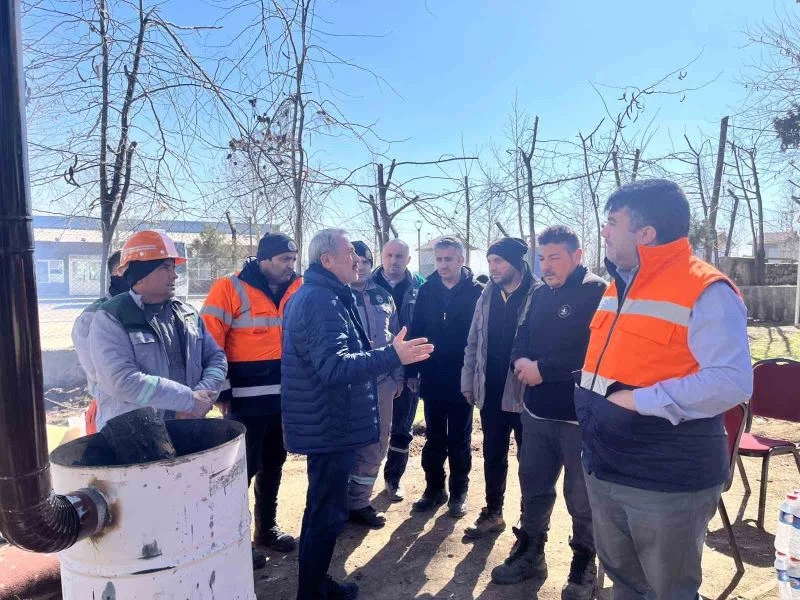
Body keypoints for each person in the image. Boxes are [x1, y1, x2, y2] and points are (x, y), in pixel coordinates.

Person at [575, 179, 753, 600]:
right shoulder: (617, 286)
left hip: (665, 480)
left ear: (646, 233)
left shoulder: (706, 289)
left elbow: (730, 381)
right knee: (624, 584)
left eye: (612, 222)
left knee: (667, 590)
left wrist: (638, 400)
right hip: (605, 465)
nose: (604, 231)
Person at [281, 228, 433, 600]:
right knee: (325, 511)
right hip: (328, 422)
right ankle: (313, 590)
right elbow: (334, 367)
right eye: (350, 252)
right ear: (327, 260)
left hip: (331, 419)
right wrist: (392, 356)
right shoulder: (320, 300)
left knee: (326, 508)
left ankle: (315, 584)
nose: (357, 258)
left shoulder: (330, 295)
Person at [490, 226, 606, 600]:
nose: (547, 265)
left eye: (555, 257)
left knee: (582, 497)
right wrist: (521, 360)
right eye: (542, 258)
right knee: (534, 488)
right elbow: (520, 335)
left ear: (577, 255)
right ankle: (530, 551)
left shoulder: (597, 292)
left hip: (578, 417)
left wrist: (545, 368)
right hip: (536, 413)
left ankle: (584, 561)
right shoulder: (539, 294)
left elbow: (596, 351)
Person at [201, 232, 302, 568]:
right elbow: (210, 343)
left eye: (293, 259)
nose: (291, 265)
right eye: (284, 260)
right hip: (245, 400)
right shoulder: (229, 288)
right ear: (264, 260)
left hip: (285, 397)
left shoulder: (298, 287)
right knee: (241, 469)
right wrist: (223, 391)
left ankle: (267, 528)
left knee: (274, 461)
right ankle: (234, 537)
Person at [89, 230, 227, 431]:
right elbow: (122, 381)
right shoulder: (111, 316)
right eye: (166, 267)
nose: (175, 274)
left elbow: (216, 358)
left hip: (187, 425)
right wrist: (188, 400)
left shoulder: (187, 313)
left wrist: (202, 397)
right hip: (135, 435)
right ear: (142, 273)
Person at [460, 237, 535, 539]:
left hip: (525, 395)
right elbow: (473, 342)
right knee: (492, 455)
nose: (492, 267)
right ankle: (494, 513)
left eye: (498, 261)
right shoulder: (487, 295)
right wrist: (468, 380)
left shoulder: (537, 294)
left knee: (529, 462)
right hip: (490, 391)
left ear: (515, 263)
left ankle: (530, 522)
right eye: (490, 261)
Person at [406, 236, 483, 518]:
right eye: (439, 259)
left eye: (448, 259)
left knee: (460, 438)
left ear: (462, 260)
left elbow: (482, 338)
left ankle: (459, 491)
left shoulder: (478, 292)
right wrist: (411, 370)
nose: (443, 265)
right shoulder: (427, 290)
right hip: (433, 374)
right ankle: (434, 489)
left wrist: (476, 375)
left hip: (463, 377)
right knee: (434, 437)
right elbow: (416, 329)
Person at [347, 241, 404, 528]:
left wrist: (398, 377)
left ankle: (359, 502)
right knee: (345, 445)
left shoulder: (384, 296)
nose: (360, 268)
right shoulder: (336, 296)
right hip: (347, 384)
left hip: (382, 383)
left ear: (372, 265)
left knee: (377, 444)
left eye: (365, 262)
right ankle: (337, 504)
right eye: (354, 262)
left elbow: (396, 339)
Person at [372, 239, 425, 501]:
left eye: (399, 256)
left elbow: (426, 329)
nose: (394, 261)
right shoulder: (365, 286)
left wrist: (416, 371)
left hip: (411, 367)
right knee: (368, 427)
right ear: (381, 256)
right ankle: (361, 482)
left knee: (402, 427)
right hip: (373, 368)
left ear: (408, 259)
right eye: (389, 255)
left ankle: (394, 478)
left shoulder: (421, 288)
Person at [71, 250, 129, 434]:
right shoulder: (92, 317)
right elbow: (102, 376)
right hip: (116, 415)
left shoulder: (157, 310)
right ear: (118, 273)